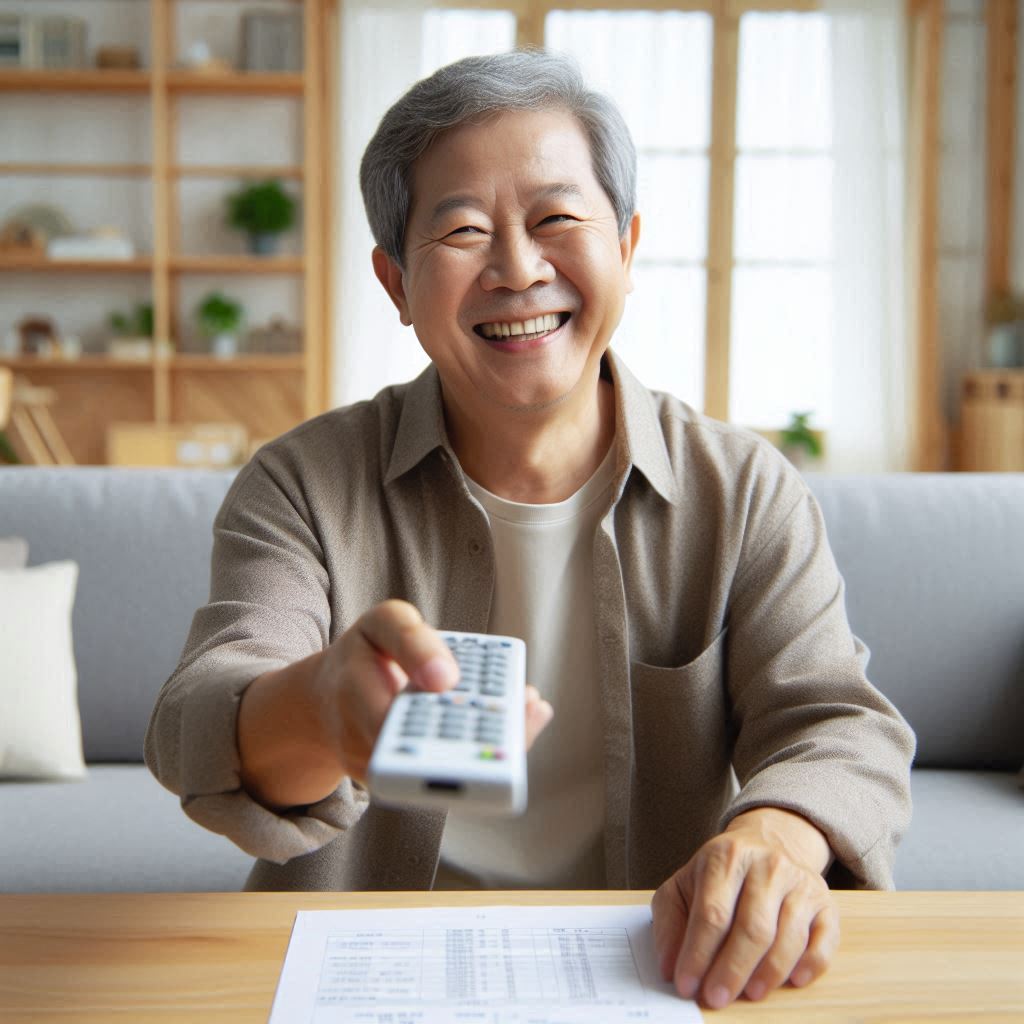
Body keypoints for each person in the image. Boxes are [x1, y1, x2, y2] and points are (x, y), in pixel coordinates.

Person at [145, 50, 914, 1010]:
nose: (517, 268)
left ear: (627, 246)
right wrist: (322, 708)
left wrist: (776, 837)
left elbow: (838, 724)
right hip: (375, 978)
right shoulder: (303, 482)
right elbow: (198, 715)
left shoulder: (744, 487)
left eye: (556, 219)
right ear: (395, 282)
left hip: (658, 974)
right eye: (463, 230)